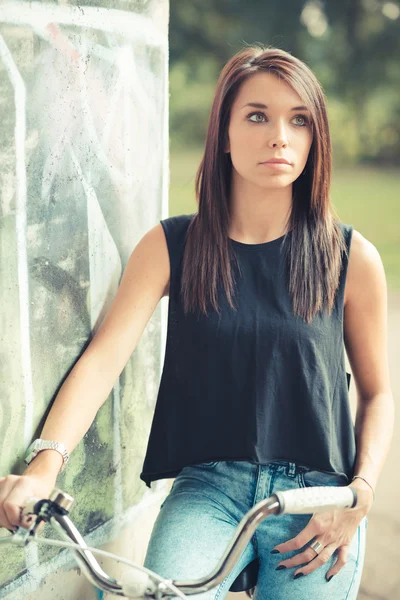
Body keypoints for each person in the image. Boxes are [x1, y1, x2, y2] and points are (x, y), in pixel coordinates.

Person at [0, 45, 394, 600]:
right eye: (257, 115)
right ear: (224, 134)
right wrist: (44, 466)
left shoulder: (351, 257)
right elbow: (103, 357)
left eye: (298, 120)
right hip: (210, 490)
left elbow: (378, 394)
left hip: (317, 502)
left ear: (314, 139)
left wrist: (360, 493)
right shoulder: (171, 246)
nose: (279, 135)